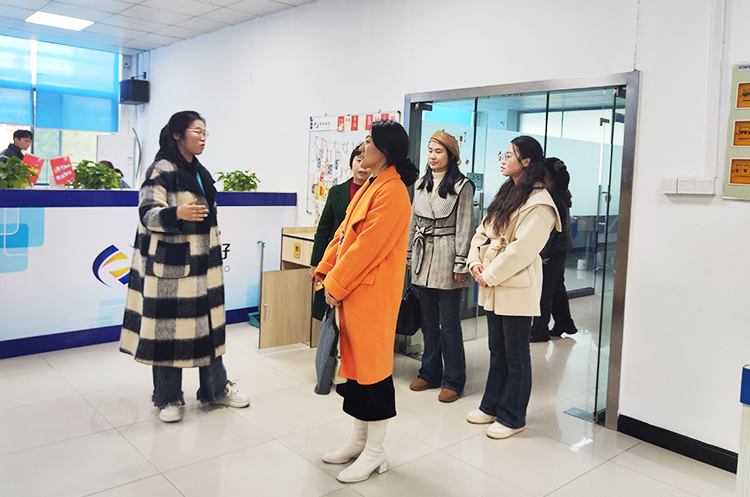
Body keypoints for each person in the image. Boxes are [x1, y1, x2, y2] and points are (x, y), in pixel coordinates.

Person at [120, 110, 249, 423]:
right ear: (178, 135)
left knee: (209, 330)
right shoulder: (161, 169)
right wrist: (176, 214)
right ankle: (168, 398)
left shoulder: (200, 171)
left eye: (205, 132)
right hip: (170, 269)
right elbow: (147, 213)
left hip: (205, 265)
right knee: (167, 335)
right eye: (196, 131)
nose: (203, 137)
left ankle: (215, 390)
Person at [315, 119, 418, 483]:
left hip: (371, 295)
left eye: (369, 142)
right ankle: (359, 442)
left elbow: (366, 249)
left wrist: (336, 283)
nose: (363, 147)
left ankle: (375, 452)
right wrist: (326, 269)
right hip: (355, 292)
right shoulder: (373, 184)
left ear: (385, 151)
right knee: (358, 371)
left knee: (374, 374)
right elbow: (344, 234)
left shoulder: (393, 191)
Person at [466, 135, 560, 439]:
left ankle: (513, 417)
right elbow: (482, 231)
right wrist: (474, 262)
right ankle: (491, 406)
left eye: (509, 155)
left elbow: (523, 250)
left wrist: (489, 273)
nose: (503, 160)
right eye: (503, 154)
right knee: (497, 349)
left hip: (515, 283)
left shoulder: (541, 203)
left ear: (526, 161)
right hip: (492, 280)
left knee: (516, 353)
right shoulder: (507, 191)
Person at [407, 130, 475, 403]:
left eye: (438, 151)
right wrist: (409, 256)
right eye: (430, 150)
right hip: (423, 257)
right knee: (428, 322)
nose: (432, 156)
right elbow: (413, 222)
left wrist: (461, 262)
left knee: (449, 324)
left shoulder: (463, 186)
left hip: (448, 256)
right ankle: (429, 372)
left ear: (451, 155)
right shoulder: (420, 184)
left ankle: (454, 380)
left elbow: (465, 226)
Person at [309, 144, 368, 323]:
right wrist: (315, 263)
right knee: (328, 310)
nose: (362, 166)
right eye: (358, 160)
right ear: (351, 164)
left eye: (366, 161)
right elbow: (323, 229)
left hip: (359, 258)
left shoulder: (374, 193)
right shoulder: (337, 191)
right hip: (334, 257)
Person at [530, 157, 578, 342]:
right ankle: (565, 323)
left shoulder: (552, 198)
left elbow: (549, 232)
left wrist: (540, 255)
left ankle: (539, 330)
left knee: (544, 290)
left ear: (547, 175)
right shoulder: (560, 194)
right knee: (557, 287)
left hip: (552, 251)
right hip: (561, 248)